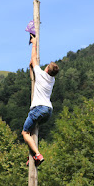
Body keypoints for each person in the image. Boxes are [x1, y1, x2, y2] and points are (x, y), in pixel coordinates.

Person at [22, 34, 59, 166]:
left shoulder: (41, 74)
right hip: (48, 111)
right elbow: (34, 66)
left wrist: (34, 43)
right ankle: (33, 156)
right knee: (32, 131)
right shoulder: (52, 80)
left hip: (38, 108)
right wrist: (32, 67)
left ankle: (37, 154)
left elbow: (33, 59)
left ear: (47, 69)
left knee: (25, 132)